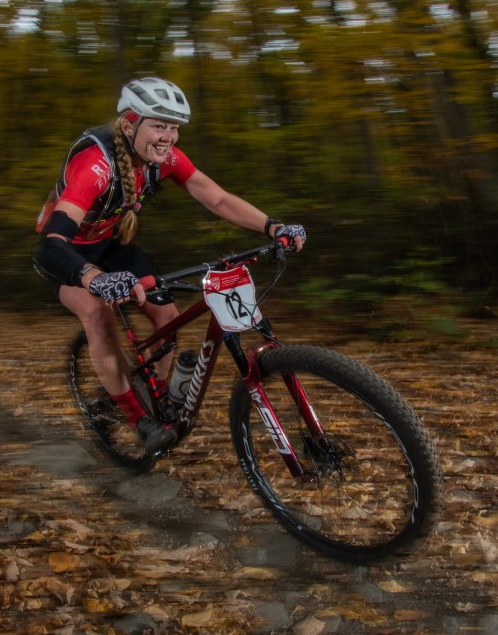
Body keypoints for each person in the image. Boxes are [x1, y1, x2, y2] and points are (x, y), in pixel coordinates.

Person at [34, 77, 306, 454]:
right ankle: (138, 419)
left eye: (174, 127)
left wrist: (272, 226)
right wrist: (93, 278)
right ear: (129, 124)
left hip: (110, 245)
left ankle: (158, 397)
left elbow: (217, 198)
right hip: (68, 255)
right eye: (159, 126)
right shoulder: (95, 164)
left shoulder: (164, 158)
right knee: (98, 314)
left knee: (166, 314)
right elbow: (53, 241)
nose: (169, 137)